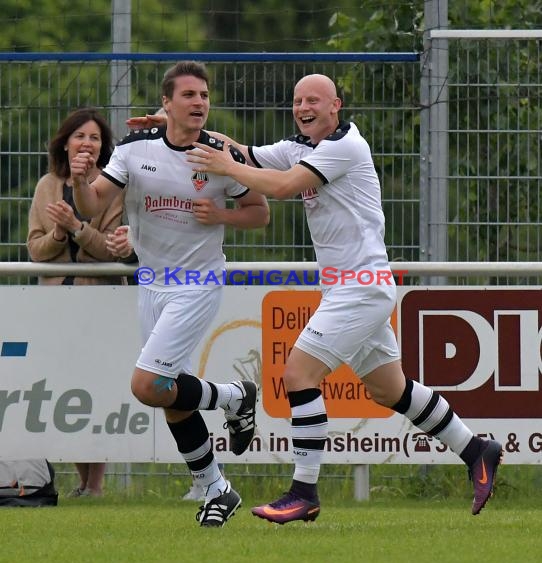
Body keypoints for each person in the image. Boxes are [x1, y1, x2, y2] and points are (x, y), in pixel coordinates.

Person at [182, 73, 503, 524]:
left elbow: (279, 187)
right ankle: (477, 450)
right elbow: (243, 151)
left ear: (337, 105)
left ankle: (304, 492)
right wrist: (176, 124)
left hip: (361, 285)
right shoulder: (300, 147)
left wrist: (226, 168)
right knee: (388, 388)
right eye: (297, 100)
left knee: (297, 374)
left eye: (313, 99)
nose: (302, 107)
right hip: (350, 286)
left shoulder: (345, 145)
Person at [70, 61, 270, 527]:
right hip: (151, 284)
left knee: (146, 385)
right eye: (189, 95)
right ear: (167, 103)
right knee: (169, 396)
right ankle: (217, 488)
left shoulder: (218, 154)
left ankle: (232, 398)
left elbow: (259, 213)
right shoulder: (137, 149)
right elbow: (94, 202)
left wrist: (220, 216)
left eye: (204, 95)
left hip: (197, 284)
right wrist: (81, 180)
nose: (199, 102)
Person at [27, 107, 126, 497]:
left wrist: (77, 229)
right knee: (66, 390)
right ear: (65, 142)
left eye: (95, 138)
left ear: (104, 148)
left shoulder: (112, 187)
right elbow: (36, 250)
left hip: (100, 303)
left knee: (96, 388)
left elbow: (110, 251)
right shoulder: (46, 186)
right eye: (80, 136)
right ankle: (81, 482)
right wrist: (57, 233)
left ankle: (96, 485)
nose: (87, 143)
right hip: (55, 304)